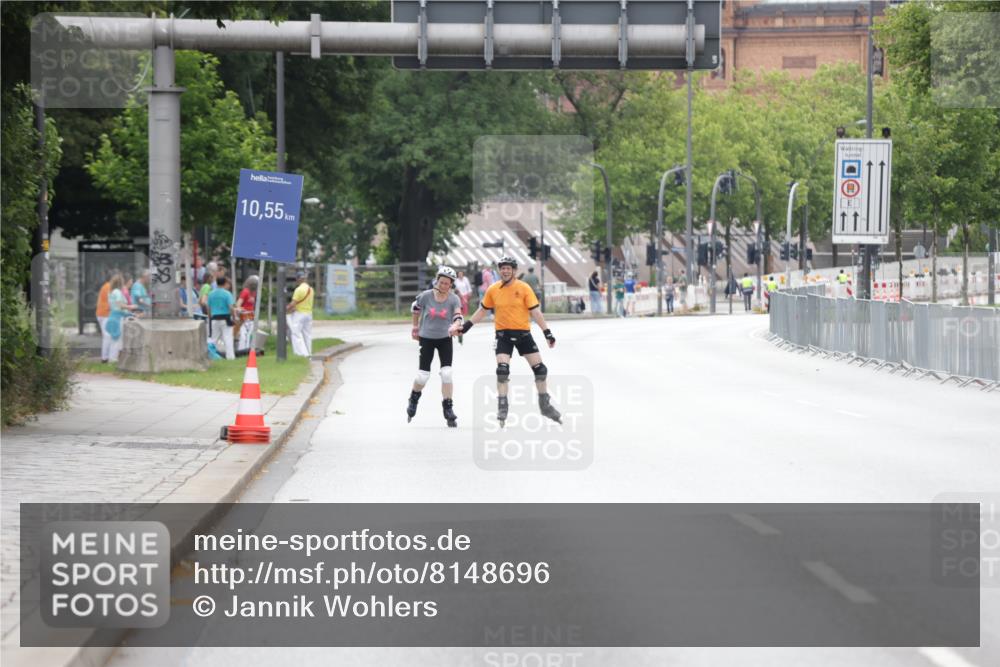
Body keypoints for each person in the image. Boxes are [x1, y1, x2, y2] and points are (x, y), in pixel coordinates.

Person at [452, 255, 560, 426]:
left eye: (509, 268)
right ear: (499, 270)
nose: (505, 271)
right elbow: (482, 311)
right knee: (502, 370)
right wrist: (465, 328)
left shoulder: (524, 288)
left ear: (514, 271)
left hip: (524, 334)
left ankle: (545, 405)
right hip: (503, 336)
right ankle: (503, 406)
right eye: (502, 268)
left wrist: (547, 332)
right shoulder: (493, 289)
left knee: (540, 370)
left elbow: (536, 312)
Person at [406, 266, 464, 427]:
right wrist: (415, 327)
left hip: (445, 338)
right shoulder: (425, 296)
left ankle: (448, 408)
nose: (444, 285)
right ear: (437, 281)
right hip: (426, 338)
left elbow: (458, 314)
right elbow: (415, 309)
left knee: (447, 373)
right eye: (442, 282)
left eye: (447, 283)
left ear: (451, 285)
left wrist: (456, 324)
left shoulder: (453, 299)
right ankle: (414, 398)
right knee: (422, 376)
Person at [105, 273, 136, 363]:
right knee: (117, 340)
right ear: (120, 282)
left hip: (112, 316)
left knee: (113, 339)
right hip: (117, 318)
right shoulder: (118, 292)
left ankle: (112, 359)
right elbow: (119, 305)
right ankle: (114, 359)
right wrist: (131, 307)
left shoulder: (111, 292)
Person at [207, 276, 236, 360]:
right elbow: (231, 307)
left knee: (214, 339)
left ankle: (211, 355)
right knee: (228, 338)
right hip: (225, 318)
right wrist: (233, 317)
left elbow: (208, 308)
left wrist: (210, 317)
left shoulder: (211, 294)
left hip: (214, 318)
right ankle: (230, 357)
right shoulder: (227, 294)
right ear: (225, 283)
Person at [286, 270, 314, 357]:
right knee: (307, 335)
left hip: (299, 314)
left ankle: (301, 354)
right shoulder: (311, 289)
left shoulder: (299, 290)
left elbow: (293, 303)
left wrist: (286, 309)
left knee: (296, 334)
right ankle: (309, 353)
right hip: (309, 314)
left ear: (298, 279)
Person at [235, 275, 259, 352]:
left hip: (251, 315)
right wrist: (241, 312)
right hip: (245, 315)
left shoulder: (254, 293)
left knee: (249, 333)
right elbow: (238, 304)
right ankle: (242, 349)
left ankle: (247, 349)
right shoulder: (245, 291)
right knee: (244, 333)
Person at [95, 270, 115, 362]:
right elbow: (111, 302)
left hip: (103, 313)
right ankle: (105, 358)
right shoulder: (108, 287)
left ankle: (106, 357)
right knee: (107, 336)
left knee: (107, 336)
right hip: (105, 314)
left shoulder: (106, 286)